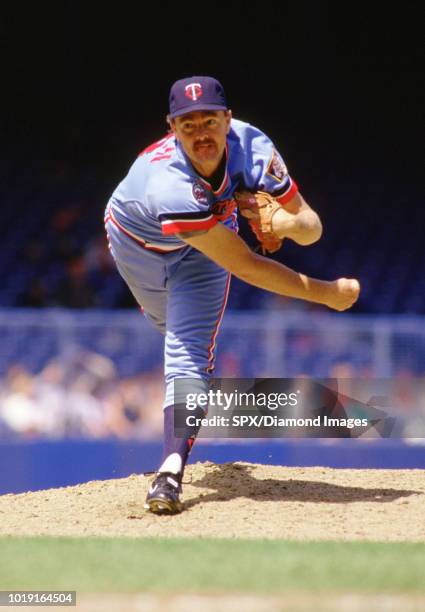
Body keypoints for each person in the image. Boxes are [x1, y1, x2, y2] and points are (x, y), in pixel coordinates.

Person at [104, 76, 360, 514]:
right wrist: (326, 294)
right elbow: (245, 265)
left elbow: (311, 225)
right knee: (168, 328)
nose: (201, 132)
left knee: (187, 353)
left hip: (206, 246)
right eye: (188, 124)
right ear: (172, 128)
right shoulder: (169, 183)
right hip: (139, 244)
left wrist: (285, 224)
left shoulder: (254, 146)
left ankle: (170, 470)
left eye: (209, 119)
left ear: (228, 118)